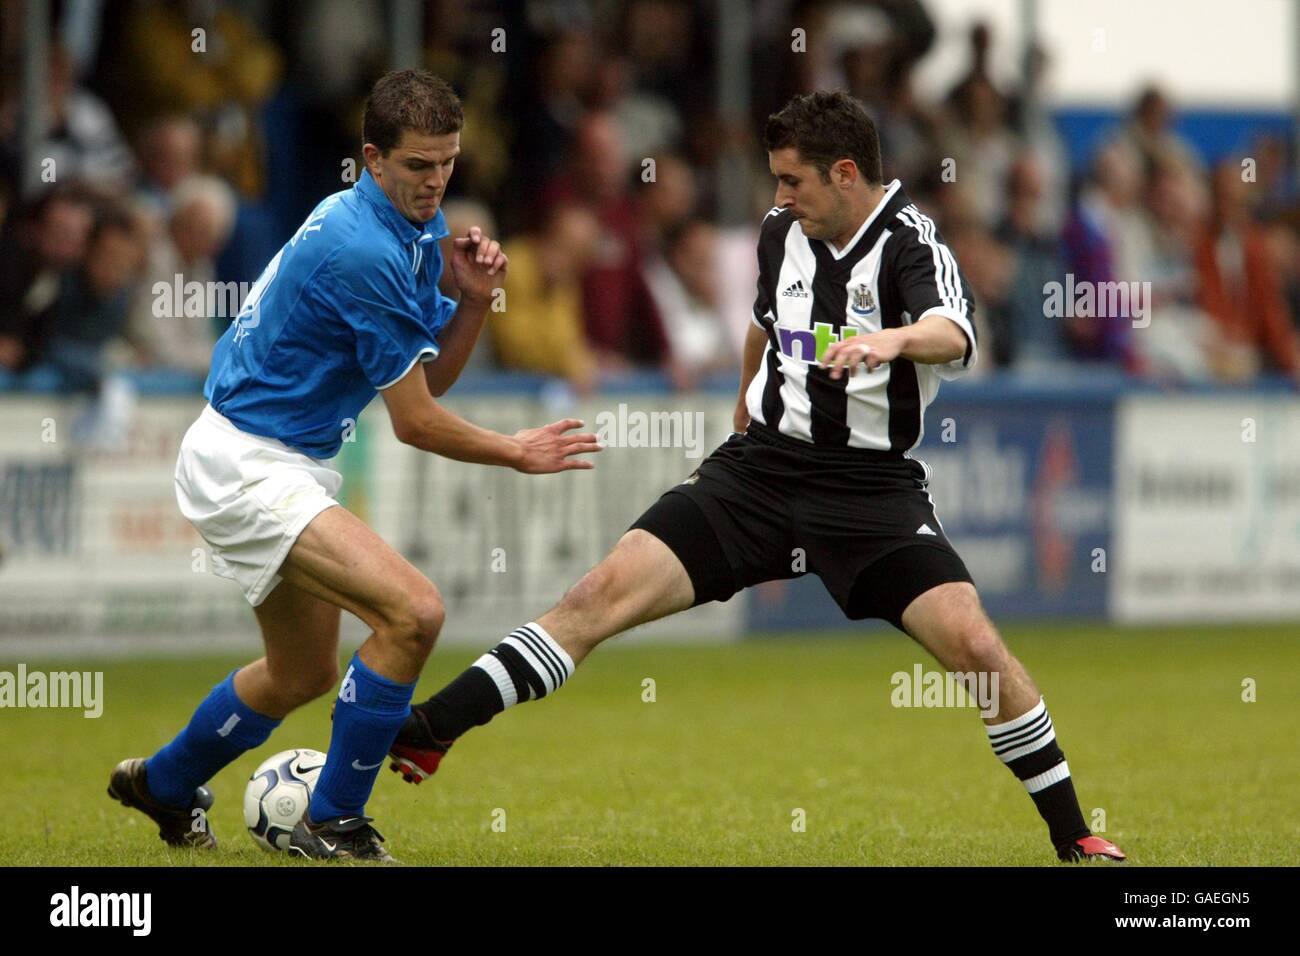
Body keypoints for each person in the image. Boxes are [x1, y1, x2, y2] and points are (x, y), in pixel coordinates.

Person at [389, 91, 1127, 864]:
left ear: (846, 174)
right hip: (760, 474)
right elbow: (764, 323)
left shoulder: (911, 242)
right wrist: (746, 405)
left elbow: (952, 333)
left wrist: (892, 341)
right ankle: (432, 729)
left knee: (976, 647)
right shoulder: (784, 234)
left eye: (791, 181)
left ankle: (1073, 833)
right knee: (594, 597)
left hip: (870, 491)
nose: (777, 199)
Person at [107, 70, 599, 862]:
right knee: (414, 613)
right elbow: (416, 421)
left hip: (274, 459)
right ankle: (332, 820)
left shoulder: (398, 233)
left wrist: (472, 301)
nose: (435, 182)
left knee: (300, 671)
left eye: (446, 164)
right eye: (416, 166)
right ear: (373, 158)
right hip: (246, 462)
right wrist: (516, 450)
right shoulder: (365, 249)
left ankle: (161, 785)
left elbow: (427, 377)